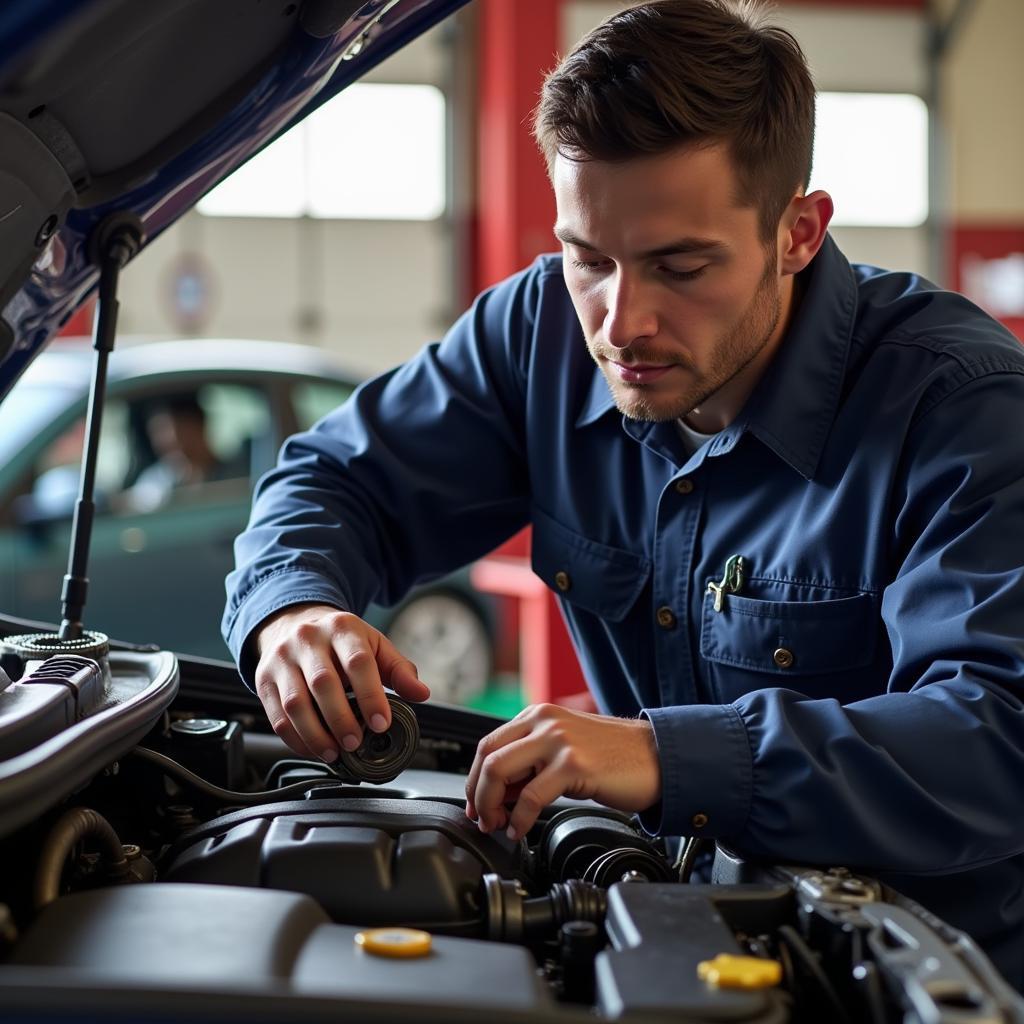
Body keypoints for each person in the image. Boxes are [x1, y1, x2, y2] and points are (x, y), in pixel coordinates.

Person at [223, 0, 1024, 987]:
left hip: (917, 981)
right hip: (682, 943)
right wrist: (293, 605)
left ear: (798, 233)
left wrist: (668, 756)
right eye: (587, 258)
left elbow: (998, 733)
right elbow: (334, 479)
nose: (622, 321)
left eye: (679, 266)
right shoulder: (538, 336)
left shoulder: (958, 405)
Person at [127, 393, 229, 511]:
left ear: (199, 425)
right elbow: (142, 505)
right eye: (158, 433)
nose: (167, 441)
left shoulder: (238, 476)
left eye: (180, 430)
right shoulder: (155, 482)